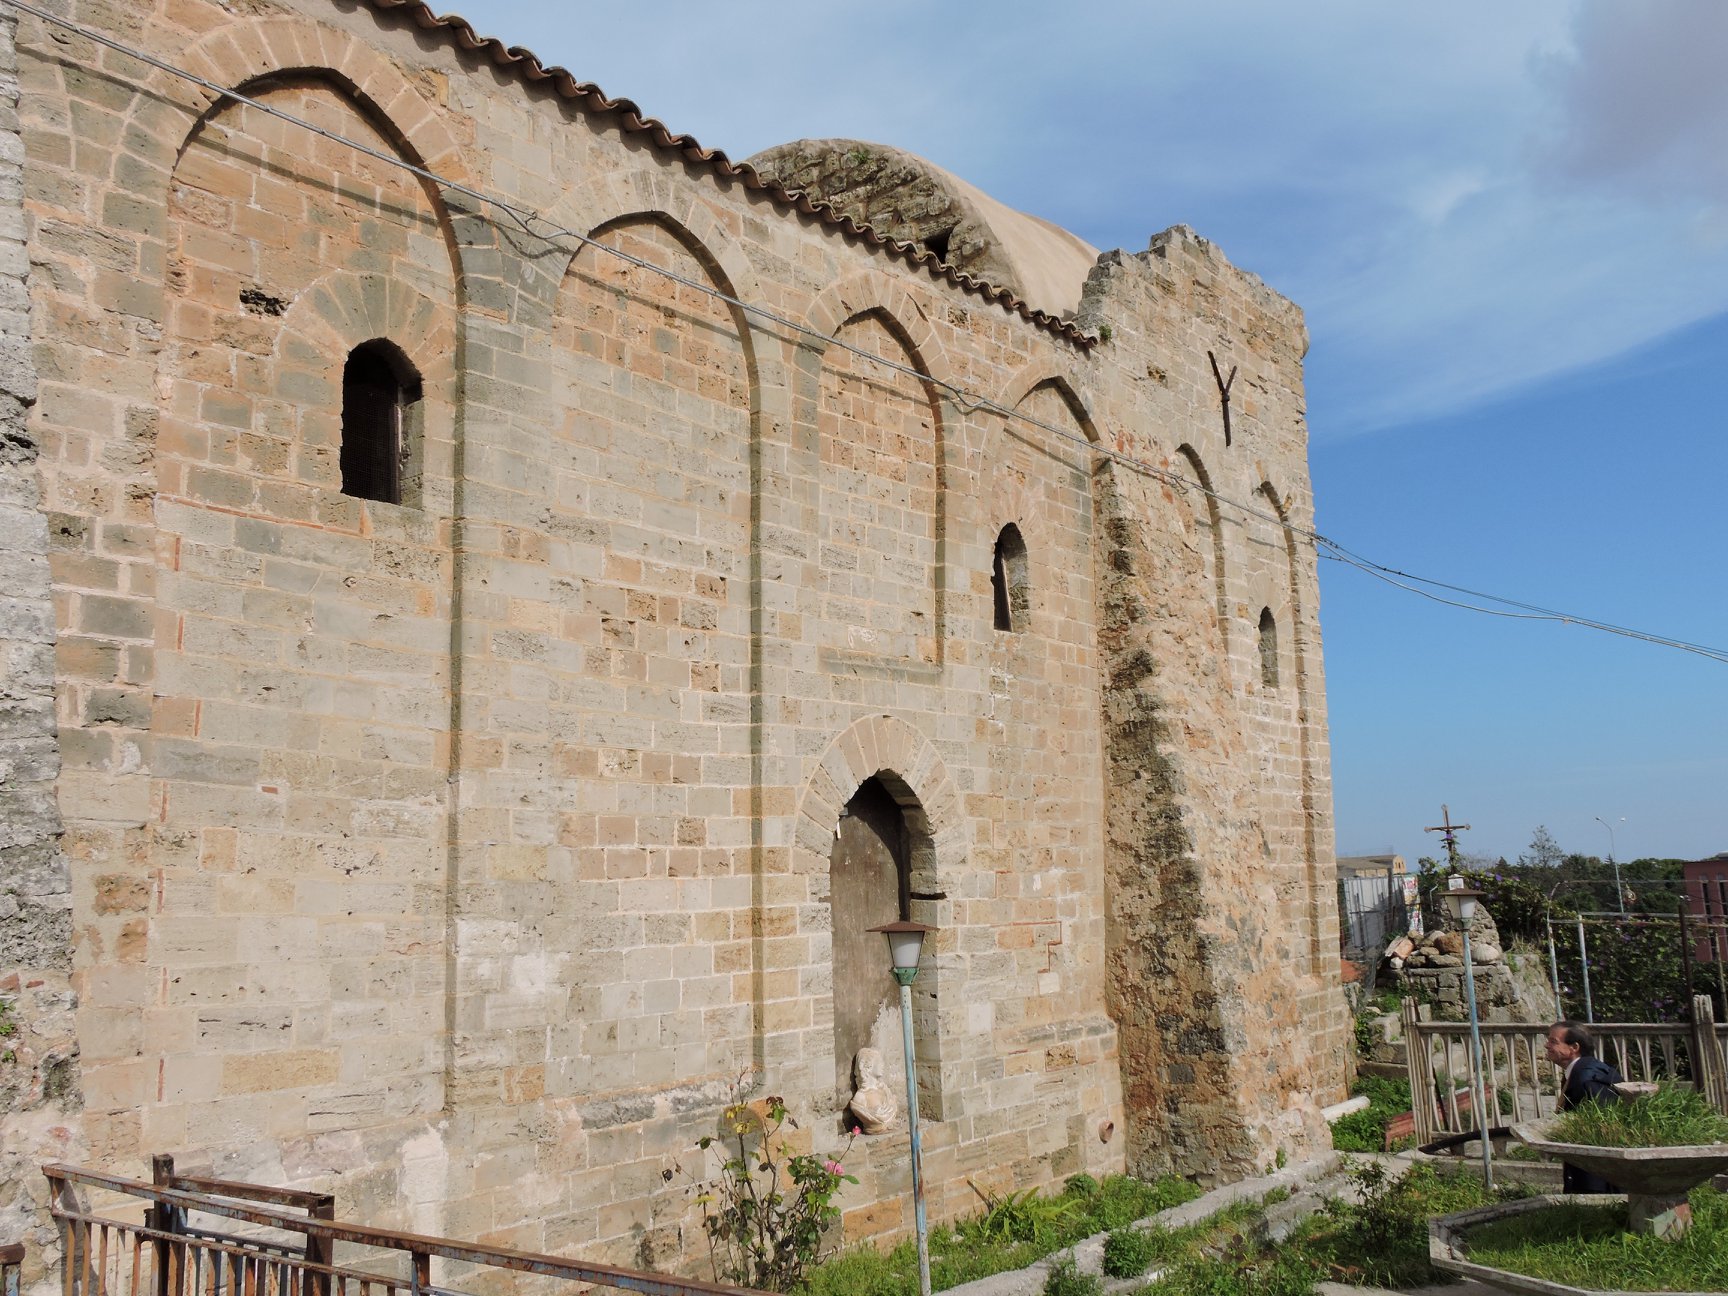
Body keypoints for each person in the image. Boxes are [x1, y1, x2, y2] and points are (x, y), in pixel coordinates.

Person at [1544, 1019, 1622, 1193]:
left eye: (1553, 1041)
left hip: (1594, 1175)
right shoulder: (1587, 1070)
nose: (1546, 1045)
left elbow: (1596, 1130)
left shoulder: (1585, 1079)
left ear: (1574, 1048)